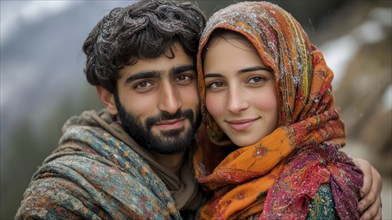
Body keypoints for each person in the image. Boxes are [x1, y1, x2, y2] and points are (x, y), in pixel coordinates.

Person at [15, 0, 381, 219]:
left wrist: (340, 173)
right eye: (144, 84)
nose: (171, 103)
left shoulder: (217, 154)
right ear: (108, 98)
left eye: (184, 77)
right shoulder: (68, 197)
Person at [193, 1, 382, 219]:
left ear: (294, 84)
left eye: (255, 79)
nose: (234, 104)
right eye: (217, 84)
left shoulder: (316, 194)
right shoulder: (208, 165)